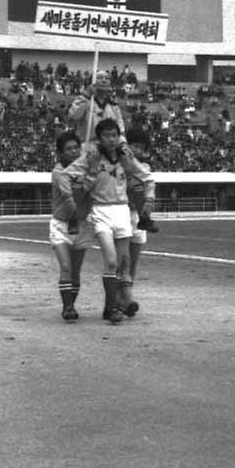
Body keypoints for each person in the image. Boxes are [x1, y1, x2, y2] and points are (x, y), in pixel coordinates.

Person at [65, 117, 149, 324]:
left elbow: (144, 175)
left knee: (123, 262)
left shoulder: (124, 157)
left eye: (115, 135)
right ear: (99, 138)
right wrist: (85, 181)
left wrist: (131, 166)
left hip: (122, 210)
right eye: (106, 136)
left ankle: (110, 307)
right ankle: (112, 308)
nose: (111, 139)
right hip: (101, 210)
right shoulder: (92, 156)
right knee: (111, 260)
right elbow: (67, 175)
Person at [49, 130, 93, 321]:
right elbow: (71, 196)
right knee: (66, 266)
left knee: (76, 271)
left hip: (82, 225)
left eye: (77, 147)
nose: (74, 152)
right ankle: (67, 307)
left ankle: (71, 304)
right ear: (60, 153)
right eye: (69, 149)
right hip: (62, 224)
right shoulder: (59, 172)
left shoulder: (87, 170)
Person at [121, 125, 158, 317]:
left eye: (141, 147)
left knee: (133, 262)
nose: (136, 150)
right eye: (133, 145)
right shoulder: (120, 165)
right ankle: (123, 300)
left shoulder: (146, 169)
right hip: (121, 213)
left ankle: (124, 299)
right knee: (123, 260)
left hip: (137, 216)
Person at [68, 70, 124, 143]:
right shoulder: (84, 101)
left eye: (107, 78)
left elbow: (120, 128)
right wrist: (86, 95)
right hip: (88, 146)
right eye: (99, 78)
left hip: (109, 147)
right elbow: (73, 117)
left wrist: (123, 144)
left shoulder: (113, 105)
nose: (104, 81)